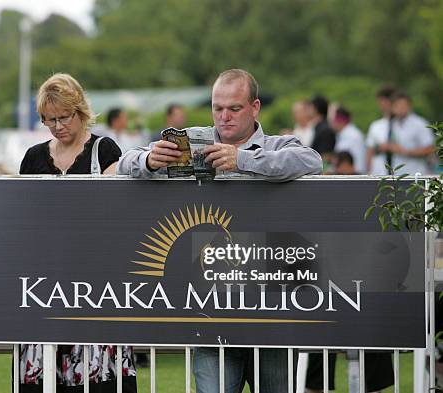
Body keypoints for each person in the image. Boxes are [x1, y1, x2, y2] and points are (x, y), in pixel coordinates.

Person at [117, 68, 322, 393]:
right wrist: (150, 160)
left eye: (234, 108)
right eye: (217, 108)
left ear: (254, 108)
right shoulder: (191, 139)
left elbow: (311, 161)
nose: (224, 117)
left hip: (270, 299)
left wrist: (243, 160)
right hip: (209, 303)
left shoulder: (278, 144)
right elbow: (124, 162)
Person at [18, 73, 136, 393]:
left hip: (95, 285)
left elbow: (116, 212)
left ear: (80, 110)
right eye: (49, 120)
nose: (57, 126)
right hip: (46, 286)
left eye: (63, 117)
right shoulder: (33, 158)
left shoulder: (104, 149)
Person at [375, 90, 435, 175]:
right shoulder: (390, 124)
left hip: (415, 174)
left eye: (403, 105)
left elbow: (430, 149)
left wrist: (405, 151)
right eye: (397, 105)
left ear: (409, 106)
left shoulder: (420, 124)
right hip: (395, 175)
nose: (400, 108)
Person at [331, 107, 367, 174]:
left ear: (339, 120)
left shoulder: (353, 136)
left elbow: (358, 164)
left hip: (353, 178)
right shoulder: (343, 134)